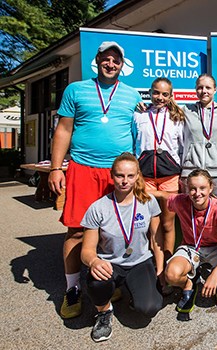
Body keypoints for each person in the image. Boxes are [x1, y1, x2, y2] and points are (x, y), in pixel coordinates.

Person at [48, 41, 142, 319]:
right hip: (83, 168)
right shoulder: (75, 90)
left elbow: (139, 136)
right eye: (106, 59)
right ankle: (73, 288)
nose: (111, 64)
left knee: (112, 231)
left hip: (118, 174)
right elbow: (63, 130)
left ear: (122, 65)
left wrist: (138, 175)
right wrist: (56, 168)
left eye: (116, 60)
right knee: (77, 231)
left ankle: (105, 281)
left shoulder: (132, 95)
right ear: (97, 60)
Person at [80, 153, 164, 342]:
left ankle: (134, 293)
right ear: (112, 175)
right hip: (110, 264)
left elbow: (156, 239)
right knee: (97, 281)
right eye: (119, 175)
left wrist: (160, 269)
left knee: (149, 307)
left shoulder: (148, 202)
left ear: (137, 176)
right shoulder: (98, 208)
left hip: (140, 263)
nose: (124, 181)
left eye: (130, 176)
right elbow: (86, 251)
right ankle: (104, 311)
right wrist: (93, 261)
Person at [163, 169, 217, 315]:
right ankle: (188, 285)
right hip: (191, 248)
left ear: (211, 188)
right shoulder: (181, 201)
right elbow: (164, 196)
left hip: (216, 247)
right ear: (187, 189)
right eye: (192, 189)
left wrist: (215, 275)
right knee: (171, 275)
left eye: (202, 188)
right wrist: (142, 192)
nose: (197, 193)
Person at [134, 77, 184, 261]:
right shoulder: (139, 115)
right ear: (150, 92)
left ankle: (168, 260)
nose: (159, 97)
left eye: (164, 94)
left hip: (170, 176)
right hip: (145, 177)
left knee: (168, 223)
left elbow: (183, 147)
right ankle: (152, 261)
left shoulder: (177, 118)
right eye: (156, 92)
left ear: (171, 96)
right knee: (149, 224)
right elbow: (134, 144)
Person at [181, 74, 217, 203]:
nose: (204, 91)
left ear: (215, 89)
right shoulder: (185, 110)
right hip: (191, 171)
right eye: (200, 87)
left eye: (208, 87)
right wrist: (142, 106)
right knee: (191, 214)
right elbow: (163, 107)